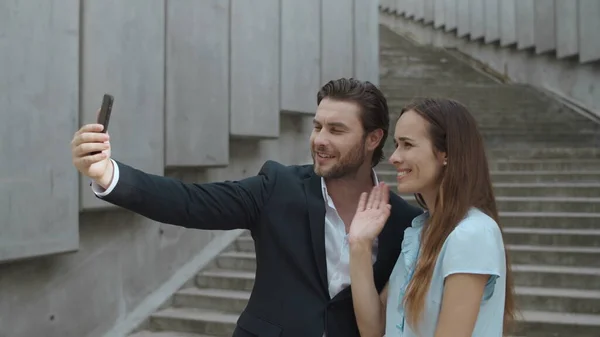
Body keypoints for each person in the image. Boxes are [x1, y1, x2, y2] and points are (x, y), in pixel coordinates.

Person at [70, 78, 423, 337]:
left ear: (373, 138)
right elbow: (190, 203)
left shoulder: (405, 224)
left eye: (336, 129)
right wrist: (108, 174)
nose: (320, 140)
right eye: (316, 126)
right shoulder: (278, 186)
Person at [347, 98, 517, 337]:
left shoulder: (472, 233)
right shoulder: (419, 231)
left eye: (407, 144)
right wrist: (360, 246)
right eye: (396, 144)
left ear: (445, 154)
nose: (394, 157)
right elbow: (374, 329)